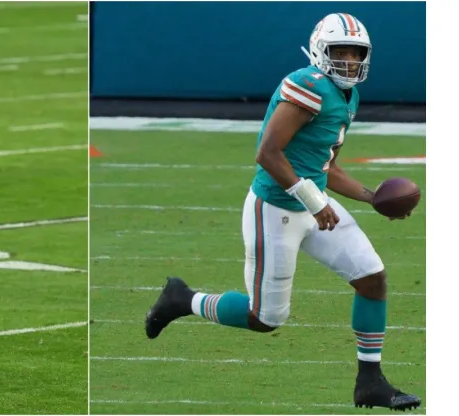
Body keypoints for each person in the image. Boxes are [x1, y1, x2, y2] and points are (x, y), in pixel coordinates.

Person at [144, 13, 421, 411]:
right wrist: (314, 201)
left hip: (315, 203)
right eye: (340, 51)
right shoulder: (306, 84)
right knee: (265, 318)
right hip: (276, 209)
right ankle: (182, 299)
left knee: (372, 278)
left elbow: (327, 167)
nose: (348, 61)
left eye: (356, 53)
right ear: (321, 50)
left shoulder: (348, 95)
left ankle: (370, 382)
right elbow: (267, 153)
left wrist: (372, 196)